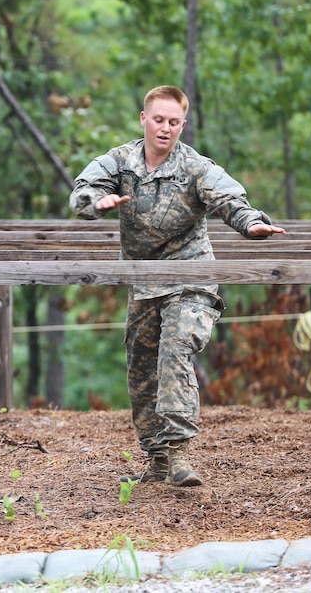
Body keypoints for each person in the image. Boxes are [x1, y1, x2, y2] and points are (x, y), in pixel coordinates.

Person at [68, 85, 285, 487]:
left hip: (191, 277)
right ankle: (158, 458)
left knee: (175, 349)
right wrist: (94, 203)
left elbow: (229, 198)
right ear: (144, 120)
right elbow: (84, 188)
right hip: (145, 282)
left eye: (173, 122)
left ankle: (181, 452)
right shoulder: (121, 161)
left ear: (182, 124)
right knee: (141, 368)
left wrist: (250, 222)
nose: (165, 129)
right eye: (159, 120)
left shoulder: (196, 167)